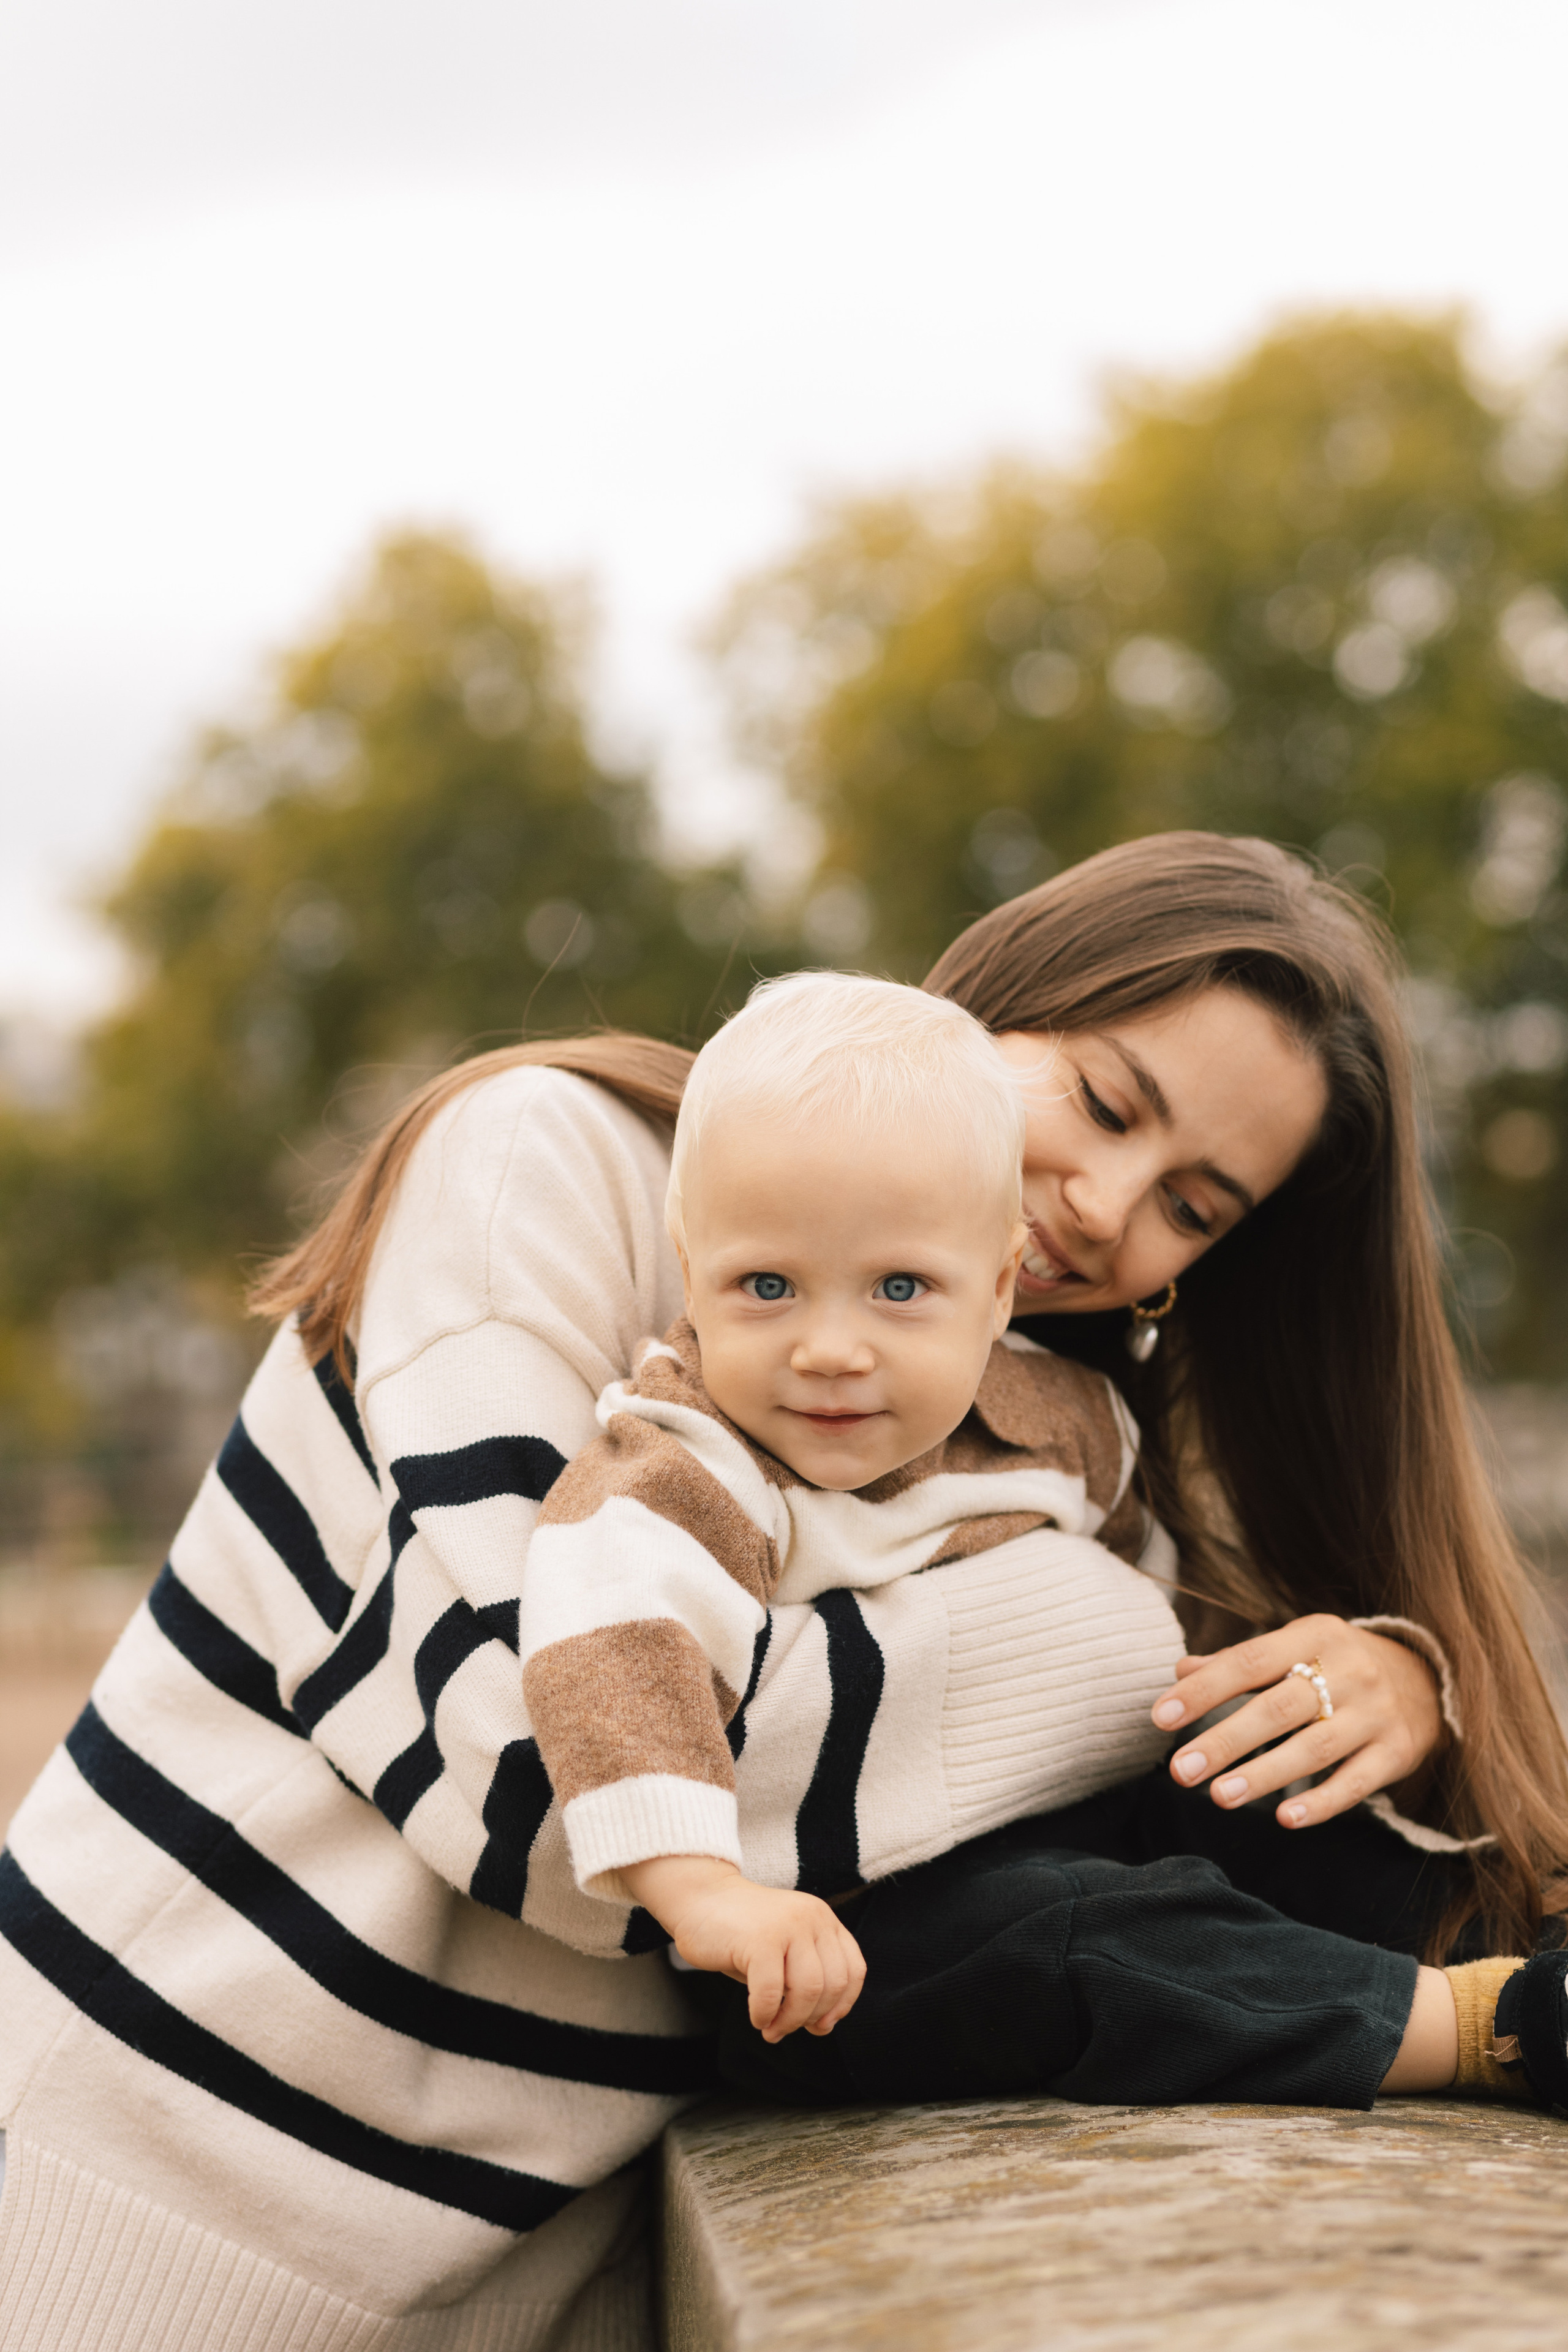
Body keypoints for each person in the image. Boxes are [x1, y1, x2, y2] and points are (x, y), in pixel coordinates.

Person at [1, 833, 1564, 2352]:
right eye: (1100, 1100)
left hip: (528, 2265)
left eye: (1190, 1208)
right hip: (134, 2187)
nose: (1104, 1203)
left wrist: (1394, 1676)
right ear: (985, 1000)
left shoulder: (1017, 1415)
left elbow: (1108, 1764)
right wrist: (1096, 1651)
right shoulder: (546, 1159)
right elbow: (541, 1789)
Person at [521, 970, 1187, 2045]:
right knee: (1081, 1934)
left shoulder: (1073, 1425)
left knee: (1271, 1843)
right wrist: (712, 1900)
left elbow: (1154, 1588)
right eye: (769, 1288)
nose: (832, 1352)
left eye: (901, 1289)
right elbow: (608, 1655)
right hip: (845, 1938)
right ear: (692, 1274)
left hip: (1085, 1812)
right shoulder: (692, 1460)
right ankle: (1473, 2027)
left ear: (1003, 1286)